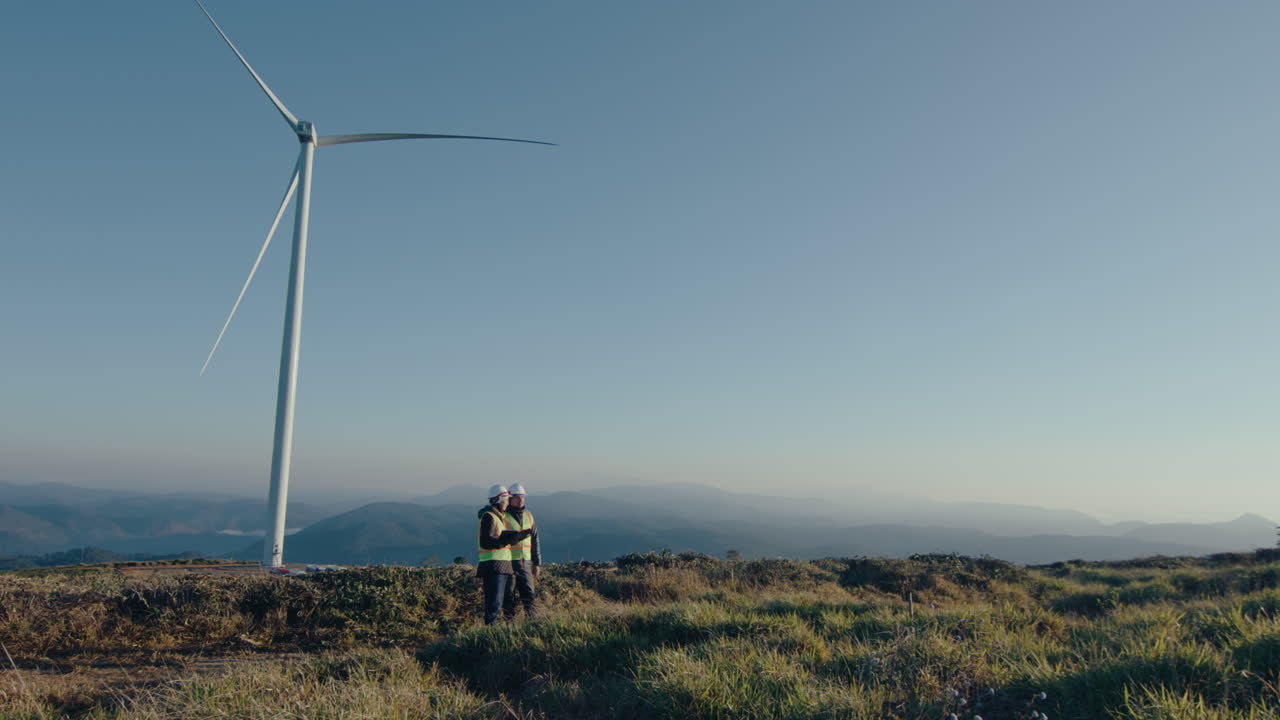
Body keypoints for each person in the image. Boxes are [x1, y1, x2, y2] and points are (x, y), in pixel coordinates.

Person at [476, 484, 532, 625]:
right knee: (494, 603)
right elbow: (486, 542)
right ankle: (490, 634)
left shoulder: (497, 516)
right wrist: (508, 540)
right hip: (493, 565)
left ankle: (496, 631)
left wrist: (514, 537)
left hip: (502, 565)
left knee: (499, 601)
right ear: (499, 500)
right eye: (506, 500)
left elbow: (498, 537)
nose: (508, 502)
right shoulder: (489, 517)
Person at [503, 483, 541, 619]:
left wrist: (537, 563)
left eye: (523, 497)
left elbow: (535, 540)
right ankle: (509, 625)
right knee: (509, 596)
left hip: (526, 563)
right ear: (510, 498)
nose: (521, 501)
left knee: (529, 595)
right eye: (518, 498)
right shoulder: (503, 515)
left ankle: (533, 623)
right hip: (509, 563)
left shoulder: (529, 516)